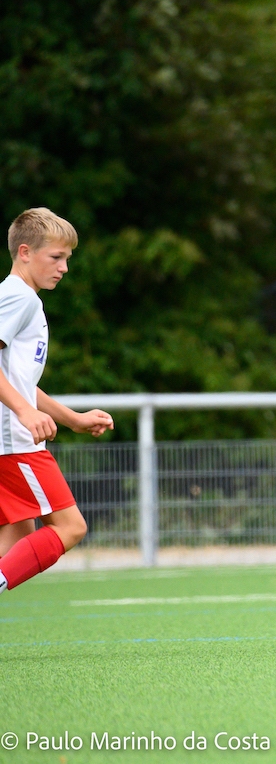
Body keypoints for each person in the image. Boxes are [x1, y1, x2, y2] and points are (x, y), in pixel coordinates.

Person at [0, 208, 115, 592]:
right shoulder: (19, 298)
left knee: (17, 536)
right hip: (14, 443)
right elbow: (19, 394)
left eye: (67, 258)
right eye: (56, 257)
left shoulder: (19, 298)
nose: (64, 267)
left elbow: (20, 382)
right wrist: (24, 412)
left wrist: (72, 419)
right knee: (70, 527)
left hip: (10, 440)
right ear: (25, 252)